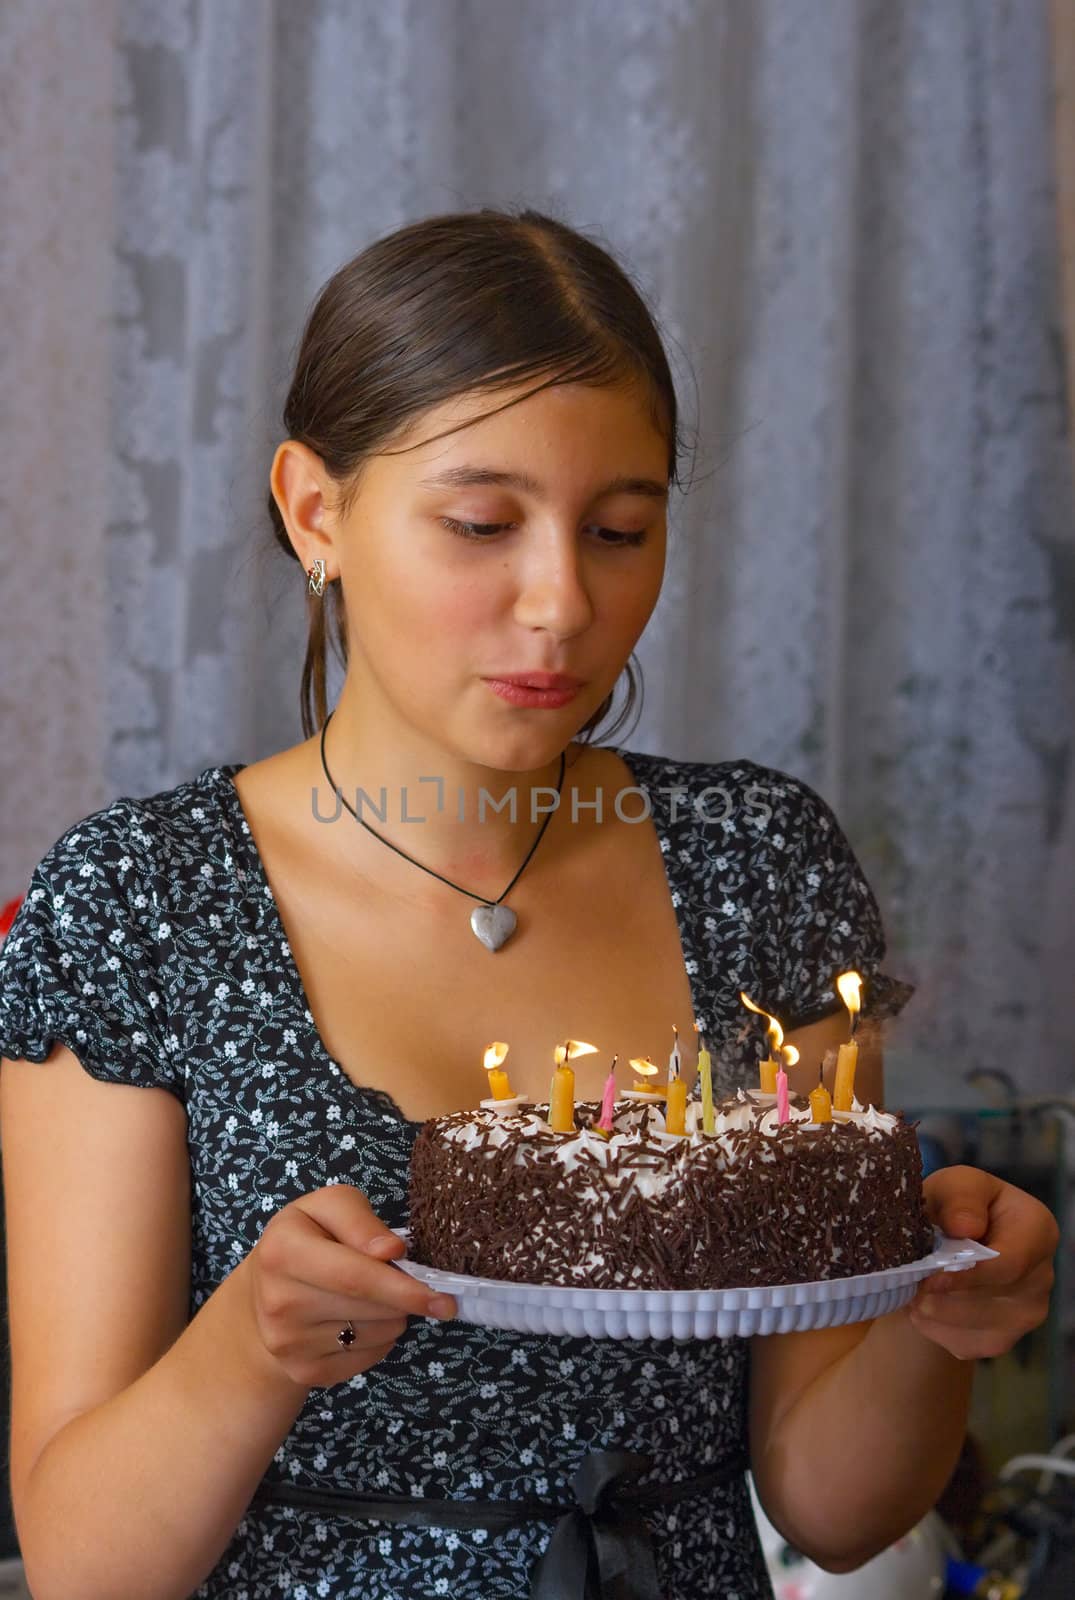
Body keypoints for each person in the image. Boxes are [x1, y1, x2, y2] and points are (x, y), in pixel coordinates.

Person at [0, 206, 1058, 1600]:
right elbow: (84, 1567)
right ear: (317, 512)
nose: (561, 602)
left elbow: (834, 1506)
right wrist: (249, 1346)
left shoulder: (758, 861)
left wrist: (939, 1314)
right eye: (483, 524)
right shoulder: (140, 901)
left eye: (621, 528)